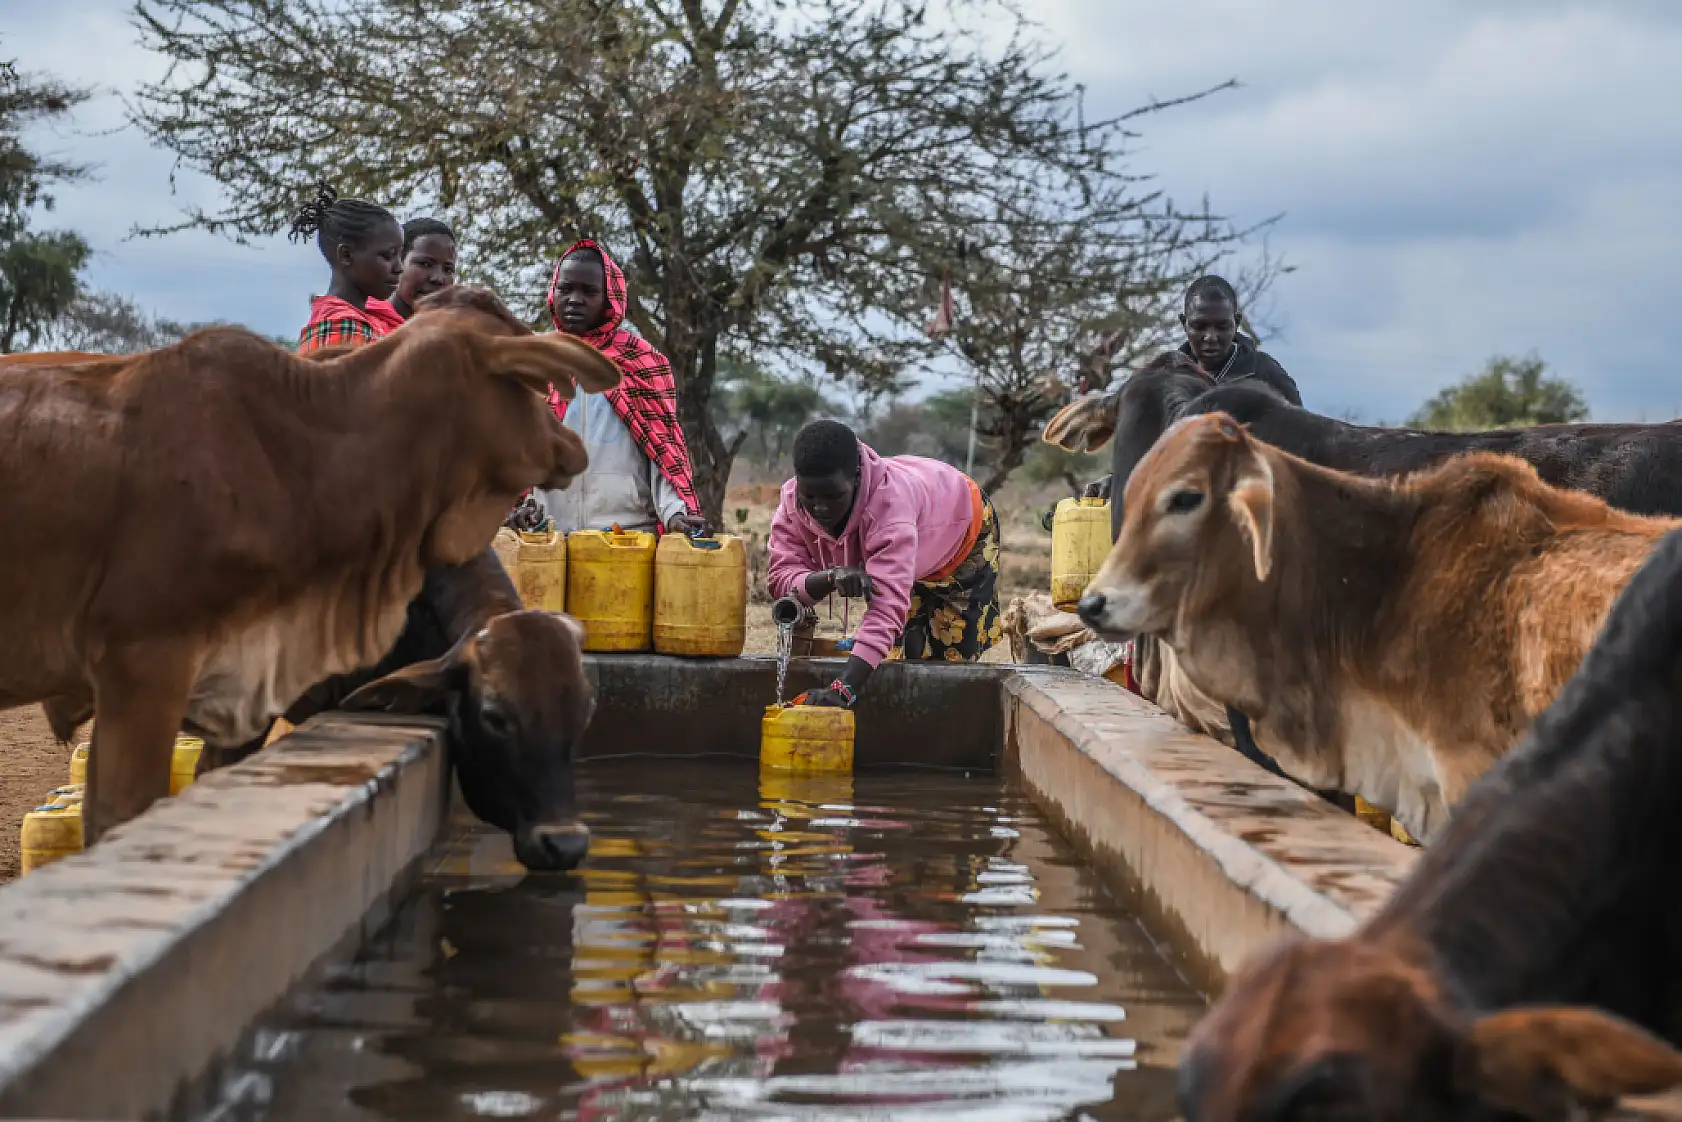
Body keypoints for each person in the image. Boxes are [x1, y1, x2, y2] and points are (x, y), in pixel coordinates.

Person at [768, 419, 1003, 709]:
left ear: (856, 476)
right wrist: (829, 578)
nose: (820, 508)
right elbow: (780, 580)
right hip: (913, 539)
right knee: (902, 650)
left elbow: (886, 610)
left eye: (832, 496)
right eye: (810, 496)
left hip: (963, 532)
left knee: (949, 658)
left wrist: (841, 691)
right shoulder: (791, 504)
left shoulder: (889, 511)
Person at [535, 240, 705, 535]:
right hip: (548, 537)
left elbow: (663, 454)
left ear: (609, 298)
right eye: (566, 289)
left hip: (628, 536)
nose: (575, 300)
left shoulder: (643, 363)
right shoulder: (533, 362)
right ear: (554, 291)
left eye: (589, 291)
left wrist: (674, 513)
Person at [289, 183, 406, 353]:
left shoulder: (374, 318)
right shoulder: (341, 329)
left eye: (399, 255)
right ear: (346, 255)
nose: (399, 268)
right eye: (388, 256)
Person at [1176, 274, 1302, 406]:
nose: (1211, 337)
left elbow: (1300, 424)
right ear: (1184, 323)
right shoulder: (1169, 378)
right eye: (1199, 326)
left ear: (1236, 323)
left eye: (1222, 326)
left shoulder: (1264, 372)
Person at [389, 217, 458, 320]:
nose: (438, 278)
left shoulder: (453, 333)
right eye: (425, 264)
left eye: (448, 270)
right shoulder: (362, 324)